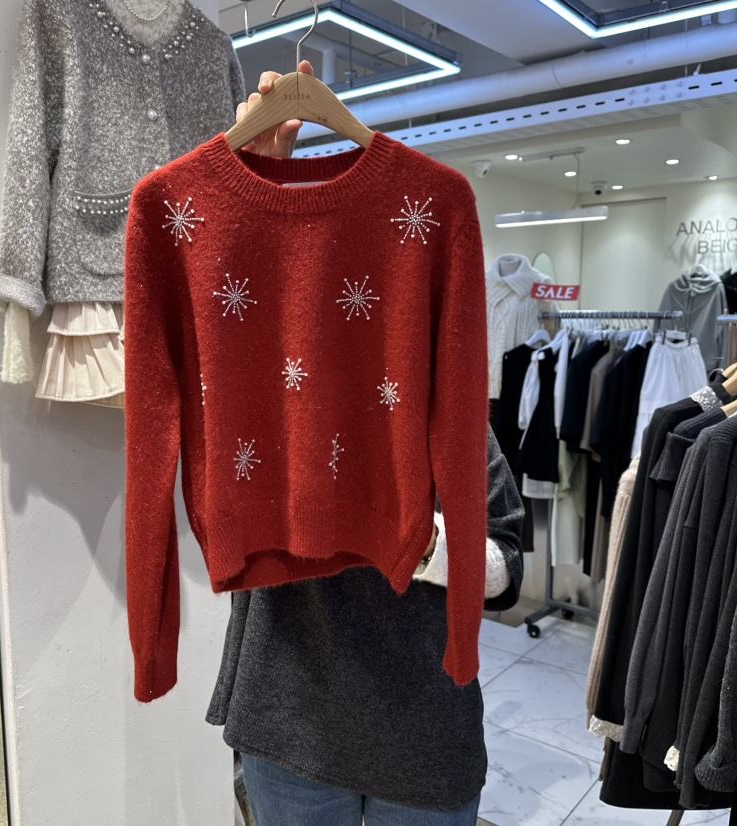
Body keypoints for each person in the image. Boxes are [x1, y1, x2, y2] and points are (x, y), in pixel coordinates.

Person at [206, 64, 525, 826]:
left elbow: (506, 568)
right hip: (289, 719)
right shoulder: (272, 388)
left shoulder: (443, 410)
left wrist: (405, 532)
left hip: (422, 733)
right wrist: (247, 191)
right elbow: (219, 330)